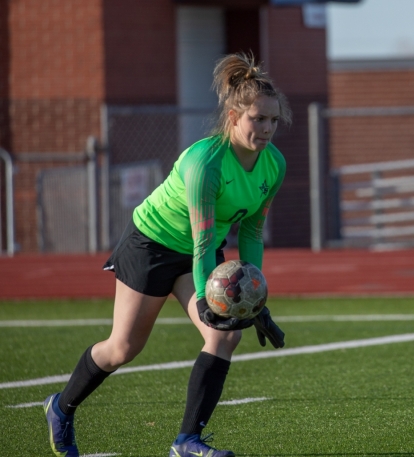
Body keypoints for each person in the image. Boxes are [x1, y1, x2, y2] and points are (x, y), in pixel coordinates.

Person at [43, 52, 289, 457]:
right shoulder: (204, 163)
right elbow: (203, 243)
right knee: (122, 348)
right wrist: (211, 303)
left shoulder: (273, 165)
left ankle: (187, 441)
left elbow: (252, 231)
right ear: (233, 117)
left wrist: (254, 298)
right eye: (257, 119)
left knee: (225, 336)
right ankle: (61, 406)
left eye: (273, 120)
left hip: (196, 251)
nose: (266, 129)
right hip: (153, 244)